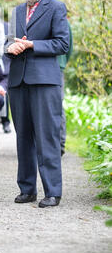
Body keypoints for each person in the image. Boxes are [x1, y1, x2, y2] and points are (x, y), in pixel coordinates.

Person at [5, 0, 69, 208]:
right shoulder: (17, 11)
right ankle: (27, 189)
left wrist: (32, 44)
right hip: (18, 82)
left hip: (45, 82)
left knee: (47, 138)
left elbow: (62, 43)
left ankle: (53, 191)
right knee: (24, 138)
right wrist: (11, 47)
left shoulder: (56, 8)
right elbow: (8, 43)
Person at [58, 20, 73, 156]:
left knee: (57, 106)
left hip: (57, 67)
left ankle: (61, 143)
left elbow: (69, 46)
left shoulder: (62, 19)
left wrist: (61, 63)